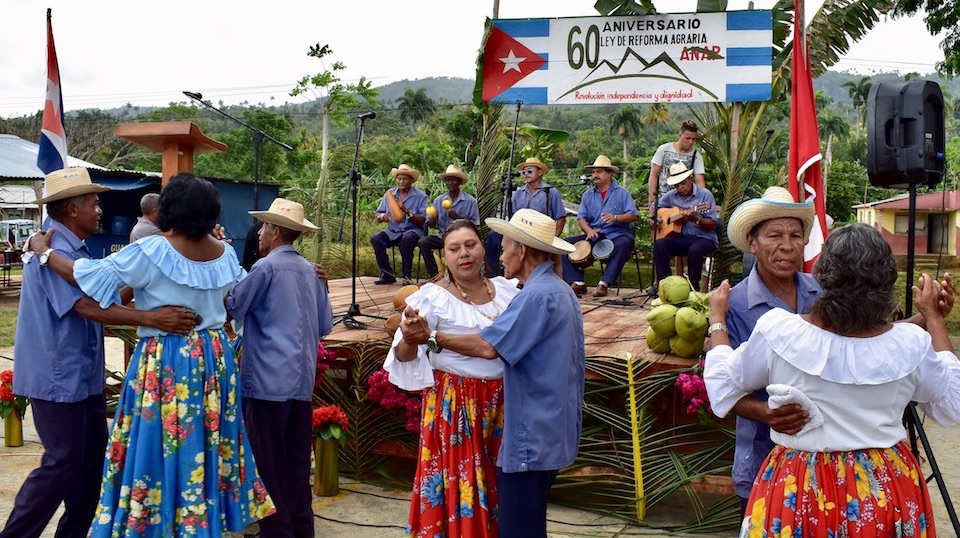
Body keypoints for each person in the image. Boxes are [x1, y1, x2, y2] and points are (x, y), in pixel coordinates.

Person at [29, 172, 276, 537]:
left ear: (168, 209)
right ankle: (199, 518)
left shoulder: (152, 249)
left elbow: (86, 276)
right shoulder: (224, 253)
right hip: (212, 357)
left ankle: (155, 519)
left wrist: (45, 253)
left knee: (159, 439)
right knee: (206, 438)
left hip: (168, 357)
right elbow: (236, 298)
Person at [704, 222, 960, 536]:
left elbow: (722, 382)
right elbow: (951, 399)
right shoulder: (910, 344)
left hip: (798, 488)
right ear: (887, 280)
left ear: (823, 273)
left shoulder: (780, 332)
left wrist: (717, 319)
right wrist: (933, 318)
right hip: (882, 488)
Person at [2, 167, 198, 538]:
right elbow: (86, 308)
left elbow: (104, 297)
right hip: (58, 377)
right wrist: (152, 317)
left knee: (92, 467)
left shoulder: (73, 248)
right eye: (93, 204)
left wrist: (148, 283)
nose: (100, 211)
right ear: (72, 209)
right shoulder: (53, 250)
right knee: (62, 462)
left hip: (82, 375)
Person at [401, 208, 585, 538]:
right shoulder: (559, 290)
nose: (502, 255)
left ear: (522, 250)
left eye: (504, 247)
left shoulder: (534, 295)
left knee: (518, 525)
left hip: (529, 431)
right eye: (453, 248)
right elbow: (403, 350)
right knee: (524, 518)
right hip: (538, 426)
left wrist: (430, 337)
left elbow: (489, 347)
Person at [387, 219, 520, 537]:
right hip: (456, 407)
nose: (464, 254)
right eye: (454, 248)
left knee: (497, 485)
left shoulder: (506, 290)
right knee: (460, 486)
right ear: (444, 257)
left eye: (470, 245)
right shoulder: (432, 298)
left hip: (504, 406)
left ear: (483, 250)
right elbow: (404, 357)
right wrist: (409, 336)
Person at [226, 198, 334, 538]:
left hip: (267, 383)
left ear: (274, 231)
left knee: (267, 466)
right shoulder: (310, 270)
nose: (258, 236)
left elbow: (234, 305)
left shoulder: (265, 269)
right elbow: (325, 325)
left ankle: (276, 532)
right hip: (300, 383)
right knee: (296, 465)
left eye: (262, 229)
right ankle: (301, 530)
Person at [561, 155, 638, 297]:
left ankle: (604, 283)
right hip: (595, 234)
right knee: (564, 245)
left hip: (618, 233)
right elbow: (581, 218)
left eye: (599, 172)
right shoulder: (587, 195)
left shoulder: (622, 193)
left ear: (609, 173)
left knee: (623, 244)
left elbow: (633, 215)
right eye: (594, 172)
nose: (595, 175)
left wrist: (616, 218)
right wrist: (588, 230)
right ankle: (578, 282)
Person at [485, 157, 566, 277]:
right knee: (493, 237)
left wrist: (553, 239)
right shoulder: (518, 193)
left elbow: (561, 218)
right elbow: (512, 216)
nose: (526, 174)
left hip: (540, 234)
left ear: (539, 172)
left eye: (529, 171)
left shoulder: (550, 191)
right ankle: (492, 276)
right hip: (521, 232)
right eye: (524, 172)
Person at [651, 162, 719, 291]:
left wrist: (696, 218)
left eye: (683, 183)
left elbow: (713, 224)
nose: (680, 187)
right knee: (659, 245)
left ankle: (692, 289)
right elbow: (655, 208)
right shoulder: (670, 196)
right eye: (676, 185)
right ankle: (665, 287)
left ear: (691, 178)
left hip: (703, 237)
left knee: (695, 250)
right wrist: (655, 219)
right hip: (680, 237)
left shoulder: (705, 195)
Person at [418, 165, 480, 278]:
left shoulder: (470, 201)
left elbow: (475, 225)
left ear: (459, 182)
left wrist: (458, 217)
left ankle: (458, 276)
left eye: (453, 180)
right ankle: (434, 276)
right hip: (443, 236)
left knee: (457, 247)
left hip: (461, 238)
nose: (450, 183)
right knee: (423, 242)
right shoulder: (438, 201)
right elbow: (432, 225)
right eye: (448, 180)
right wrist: (431, 218)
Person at [371, 163, 428, 285]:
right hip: (392, 231)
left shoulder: (420, 196)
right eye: (399, 178)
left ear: (411, 180)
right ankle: (387, 274)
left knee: (407, 239)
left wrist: (406, 210)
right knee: (376, 239)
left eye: (405, 179)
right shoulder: (390, 194)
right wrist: (381, 217)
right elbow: (378, 215)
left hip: (412, 231)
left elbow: (423, 221)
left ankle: (406, 276)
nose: (401, 181)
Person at [647, 119, 706, 207]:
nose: (690, 142)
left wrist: (702, 201)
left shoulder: (696, 156)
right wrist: (652, 201)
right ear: (680, 135)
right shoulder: (664, 149)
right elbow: (654, 175)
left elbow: (700, 181)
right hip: (662, 201)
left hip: (684, 203)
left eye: (693, 139)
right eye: (687, 138)